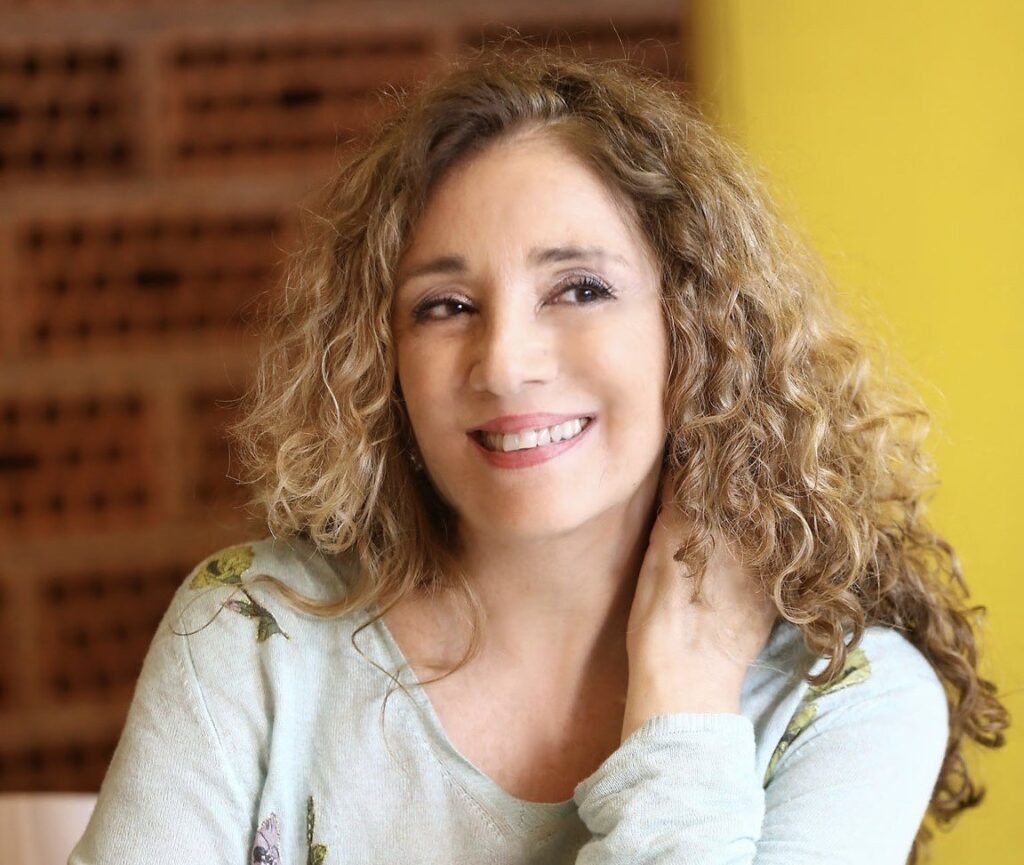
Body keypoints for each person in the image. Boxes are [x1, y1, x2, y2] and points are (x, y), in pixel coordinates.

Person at [68, 44, 1008, 865]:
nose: (505, 364)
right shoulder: (250, 631)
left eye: (579, 288)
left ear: (698, 327)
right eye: (445, 306)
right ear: (382, 359)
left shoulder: (850, 699)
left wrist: (680, 712)